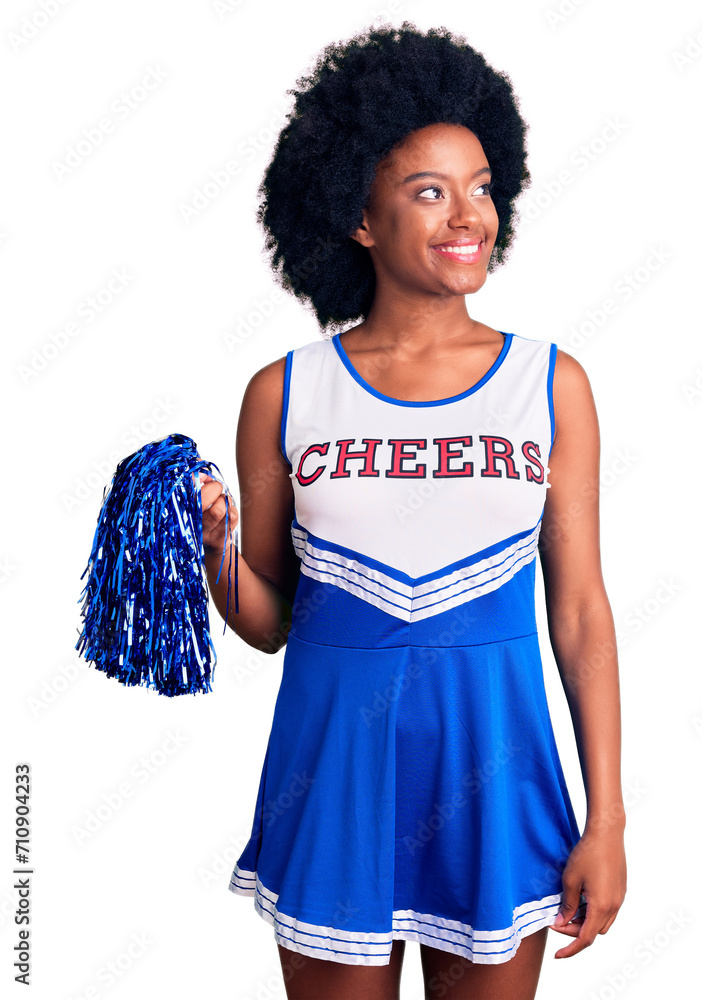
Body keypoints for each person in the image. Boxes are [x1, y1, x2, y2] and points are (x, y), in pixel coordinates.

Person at [198, 22, 627, 1000]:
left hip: (498, 767)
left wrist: (607, 819)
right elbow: (269, 622)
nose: (467, 214)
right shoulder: (285, 393)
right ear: (358, 216)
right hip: (333, 772)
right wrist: (221, 549)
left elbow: (581, 613)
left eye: (480, 185)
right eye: (428, 191)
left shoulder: (551, 384)